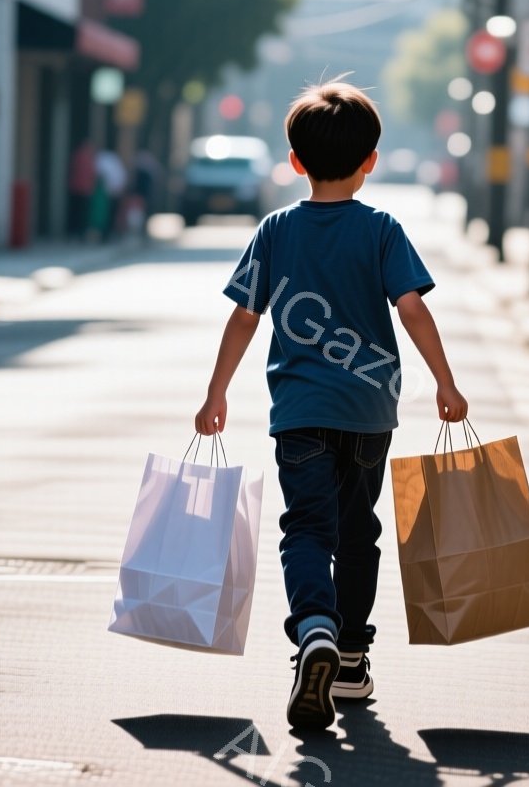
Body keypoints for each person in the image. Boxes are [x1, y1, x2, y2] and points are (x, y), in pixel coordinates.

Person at [193, 81, 468, 731]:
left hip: (299, 414)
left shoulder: (277, 230)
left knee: (307, 530)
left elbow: (244, 317)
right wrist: (446, 383)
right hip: (370, 410)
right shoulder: (380, 229)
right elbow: (412, 310)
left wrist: (217, 392)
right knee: (358, 530)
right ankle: (349, 657)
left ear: (295, 161)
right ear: (370, 159)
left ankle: (312, 629)